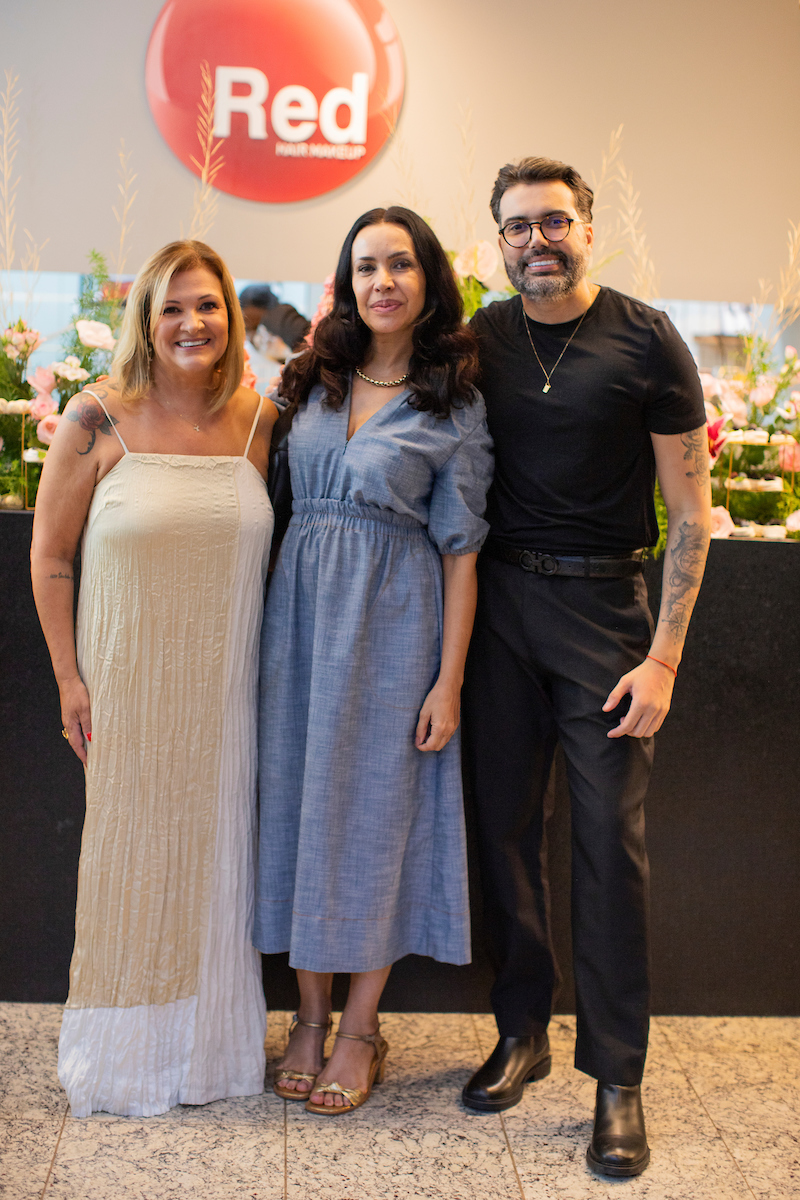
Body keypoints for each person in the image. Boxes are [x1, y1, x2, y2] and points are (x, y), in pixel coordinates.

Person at [460, 158, 711, 1177]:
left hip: (609, 616)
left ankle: (617, 1078)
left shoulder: (645, 338)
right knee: (504, 832)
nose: (535, 242)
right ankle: (522, 1031)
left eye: (552, 222)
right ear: (499, 242)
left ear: (587, 229)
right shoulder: (478, 334)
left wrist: (662, 660)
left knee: (608, 847)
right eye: (515, 228)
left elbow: (690, 513)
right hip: (499, 613)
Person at [30, 240, 279, 1117]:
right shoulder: (97, 417)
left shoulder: (261, 421)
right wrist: (69, 679)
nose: (191, 323)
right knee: (132, 862)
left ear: (231, 317)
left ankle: (208, 1053)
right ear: (144, 316)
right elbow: (51, 557)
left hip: (228, 697)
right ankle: (127, 1055)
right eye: (172, 306)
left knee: (216, 863)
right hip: (129, 689)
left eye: (207, 305)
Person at [254, 206, 493, 1115]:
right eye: (366, 267)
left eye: (400, 264)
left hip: (397, 626)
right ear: (346, 283)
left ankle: (359, 1024)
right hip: (299, 626)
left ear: (428, 279)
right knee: (299, 806)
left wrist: (449, 679)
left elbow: (462, 550)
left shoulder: (454, 401)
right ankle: (306, 1019)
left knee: (375, 818)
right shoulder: (311, 377)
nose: (382, 281)